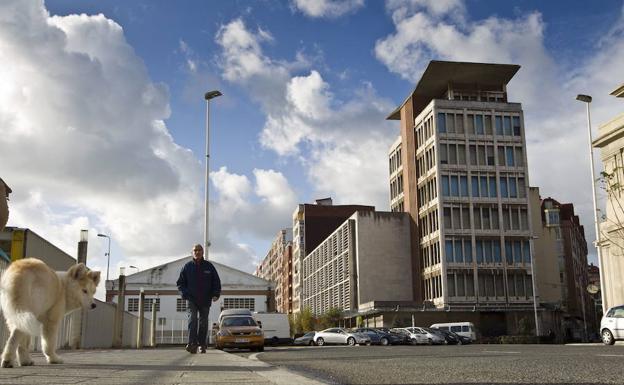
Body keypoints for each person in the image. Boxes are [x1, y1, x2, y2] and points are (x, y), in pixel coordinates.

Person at [176, 244, 221, 354]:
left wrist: (215, 294)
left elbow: (216, 281)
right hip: (192, 299)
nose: (197, 252)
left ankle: (202, 345)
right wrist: (185, 294)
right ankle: (192, 344)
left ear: (203, 252)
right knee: (193, 319)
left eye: (199, 250)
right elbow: (180, 283)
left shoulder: (209, 267)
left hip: (205, 299)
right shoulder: (187, 267)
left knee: (203, 322)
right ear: (192, 252)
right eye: (195, 250)